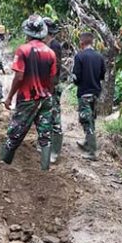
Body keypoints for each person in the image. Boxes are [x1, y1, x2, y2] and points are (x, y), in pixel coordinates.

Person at [0, 14, 57, 170]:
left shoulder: (23, 50)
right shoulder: (50, 53)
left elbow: (18, 77)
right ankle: (44, 169)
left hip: (27, 98)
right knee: (45, 135)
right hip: (45, 99)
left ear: (27, 32)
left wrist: (9, 97)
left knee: (14, 132)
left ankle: (3, 164)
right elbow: (52, 79)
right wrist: (48, 94)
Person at [72, 32, 106, 160]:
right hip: (96, 93)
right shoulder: (99, 57)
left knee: (86, 120)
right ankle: (87, 142)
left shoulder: (79, 56)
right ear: (92, 42)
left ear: (81, 43)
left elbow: (76, 77)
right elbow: (103, 75)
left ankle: (92, 151)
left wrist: (76, 81)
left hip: (84, 92)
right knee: (91, 118)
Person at [42, 18, 65, 163]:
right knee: (46, 116)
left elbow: (54, 70)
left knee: (55, 117)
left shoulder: (54, 46)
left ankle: (55, 152)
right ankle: (46, 145)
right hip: (47, 86)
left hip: (53, 86)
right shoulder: (47, 45)